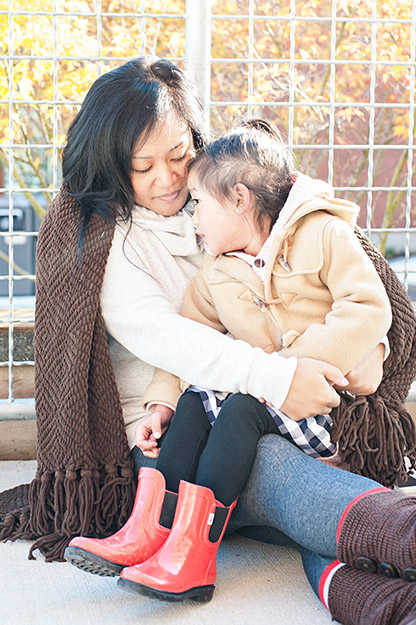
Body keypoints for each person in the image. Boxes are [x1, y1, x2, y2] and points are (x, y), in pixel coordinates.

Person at [0, 57, 414, 625]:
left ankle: (387, 602)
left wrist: (360, 354)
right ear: (112, 166)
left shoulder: (226, 194)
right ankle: (401, 536)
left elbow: (328, 292)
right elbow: (180, 341)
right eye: (142, 166)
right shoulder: (103, 242)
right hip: (167, 433)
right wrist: (280, 377)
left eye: (178, 156)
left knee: (273, 462)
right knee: (265, 463)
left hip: (269, 405)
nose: (168, 180)